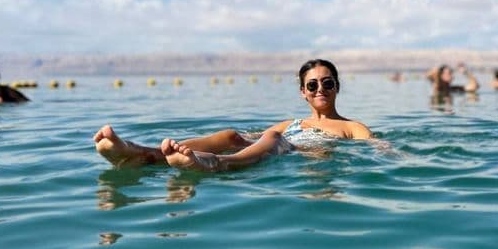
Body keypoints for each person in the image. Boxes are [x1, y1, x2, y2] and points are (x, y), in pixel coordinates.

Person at [93, 58, 372, 173]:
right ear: (303, 92)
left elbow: (379, 149)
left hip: (300, 155)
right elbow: (252, 138)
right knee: (231, 134)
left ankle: (216, 163)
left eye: (327, 82)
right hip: (280, 146)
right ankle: (143, 153)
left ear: (337, 86)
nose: (320, 88)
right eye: (312, 85)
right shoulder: (292, 123)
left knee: (274, 137)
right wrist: (235, 139)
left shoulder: (352, 128)